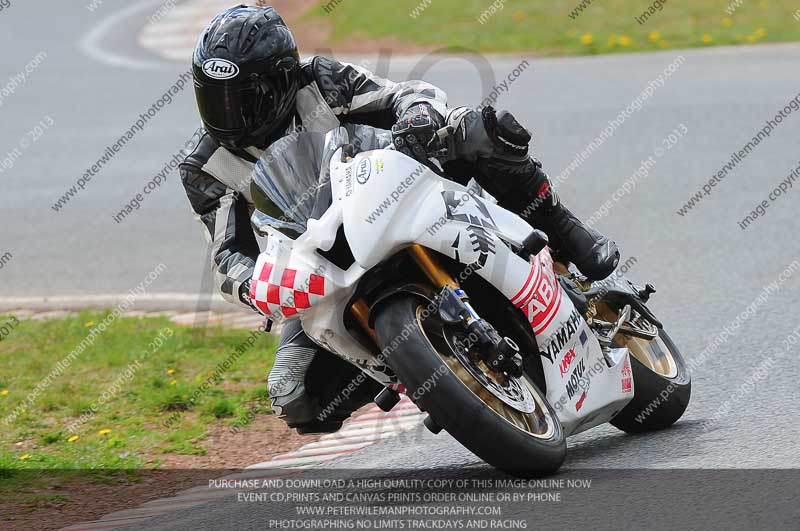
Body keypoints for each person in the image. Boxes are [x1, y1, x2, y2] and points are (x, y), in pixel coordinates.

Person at [179, 5, 619, 434]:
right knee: (295, 395)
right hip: (316, 261)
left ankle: (564, 229)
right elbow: (226, 254)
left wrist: (418, 116)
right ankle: (421, 369)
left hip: (392, 188)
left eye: (243, 98)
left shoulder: (319, 80)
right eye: (213, 98)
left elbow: (405, 94)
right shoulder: (203, 167)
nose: (228, 114)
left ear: (282, 80)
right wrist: (255, 286)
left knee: (475, 128)